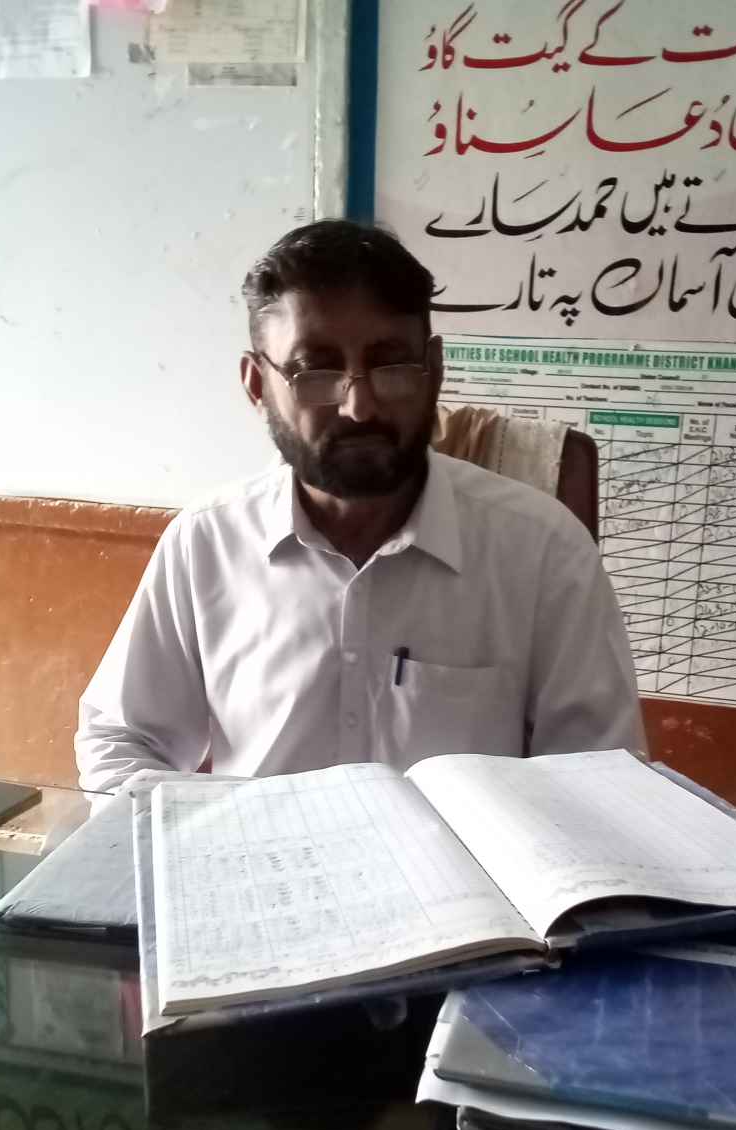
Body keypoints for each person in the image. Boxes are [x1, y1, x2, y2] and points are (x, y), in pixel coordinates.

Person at [75, 219, 644, 793]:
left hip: (465, 856)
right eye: (314, 371)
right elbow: (123, 738)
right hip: (259, 847)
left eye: (392, 366)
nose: (359, 407)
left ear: (434, 371)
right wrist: (181, 832)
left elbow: (601, 779)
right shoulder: (207, 542)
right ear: (256, 385)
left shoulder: (542, 550)